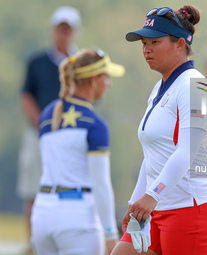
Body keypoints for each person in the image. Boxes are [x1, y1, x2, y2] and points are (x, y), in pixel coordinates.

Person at [111, 5, 207, 255]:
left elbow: (185, 152)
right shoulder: (160, 88)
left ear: (179, 44)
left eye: (155, 41)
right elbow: (152, 155)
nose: (146, 49)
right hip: (158, 207)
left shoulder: (194, 85)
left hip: (192, 209)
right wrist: (136, 200)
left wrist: (151, 195)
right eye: (144, 42)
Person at [31, 48, 125, 255]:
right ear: (93, 80)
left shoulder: (47, 114)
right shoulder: (95, 123)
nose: (109, 83)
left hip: (42, 215)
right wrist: (110, 235)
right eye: (106, 77)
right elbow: (101, 184)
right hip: (77, 219)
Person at [17, 6, 81, 253]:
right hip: (38, 135)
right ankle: (33, 243)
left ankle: (61, 238)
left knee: (67, 187)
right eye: (60, 29)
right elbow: (26, 96)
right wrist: (42, 123)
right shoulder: (37, 62)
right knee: (33, 189)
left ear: (74, 32)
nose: (63, 34)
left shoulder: (79, 63)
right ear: (53, 31)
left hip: (70, 136)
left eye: (68, 29)